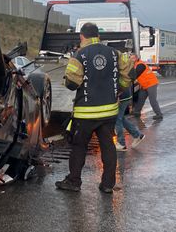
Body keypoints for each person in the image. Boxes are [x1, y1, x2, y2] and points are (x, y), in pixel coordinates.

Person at [55, 23, 132, 193]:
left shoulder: (79, 55)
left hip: (86, 113)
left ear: (82, 36)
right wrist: (117, 89)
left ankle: (74, 182)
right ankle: (107, 184)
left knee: (79, 147)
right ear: (98, 36)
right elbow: (127, 76)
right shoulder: (115, 54)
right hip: (109, 112)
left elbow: (72, 84)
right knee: (108, 147)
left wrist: (67, 79)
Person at [131, 53, 163, 119]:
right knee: (141, 98)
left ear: (137, 58)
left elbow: (135, 75)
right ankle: (137, 112)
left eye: (133, 58)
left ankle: (159, 114)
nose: (131, 59)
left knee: (152, 100)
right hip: (144, 85)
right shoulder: (135, 65)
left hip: (151, 84)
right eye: (130, 58)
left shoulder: (140, 65)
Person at [115, 83, 145, 151]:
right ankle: (137, 135)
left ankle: (121, 144)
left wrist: (117, 95)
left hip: (120, 96)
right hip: (124, 95)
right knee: (121, 118)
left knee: (117, 119)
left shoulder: (114, 72)